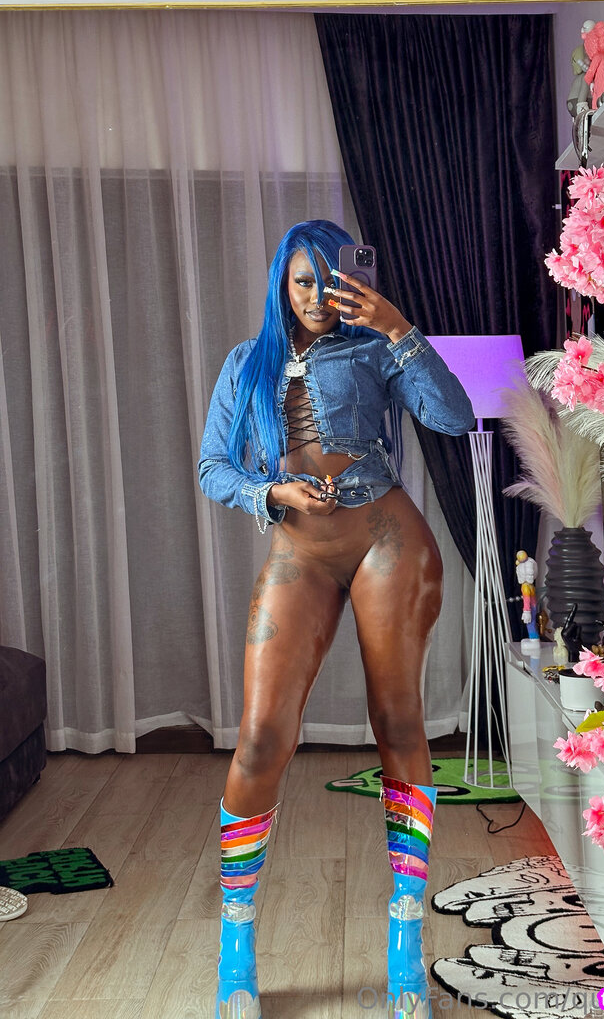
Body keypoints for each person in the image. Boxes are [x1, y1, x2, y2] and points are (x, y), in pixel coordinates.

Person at [198, 219, 474, 1019]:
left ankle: (404, 947)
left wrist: (398, 329)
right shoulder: (245, 364)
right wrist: (269, 492)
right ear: (281, 288)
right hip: (299, 547)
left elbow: (454, 417)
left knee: (398, 722)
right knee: (261, 737)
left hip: (387, 535)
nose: (318, 295)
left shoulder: (376, 347)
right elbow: (214, 466)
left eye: (330, 279)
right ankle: (237, 946)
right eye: (302, 282)